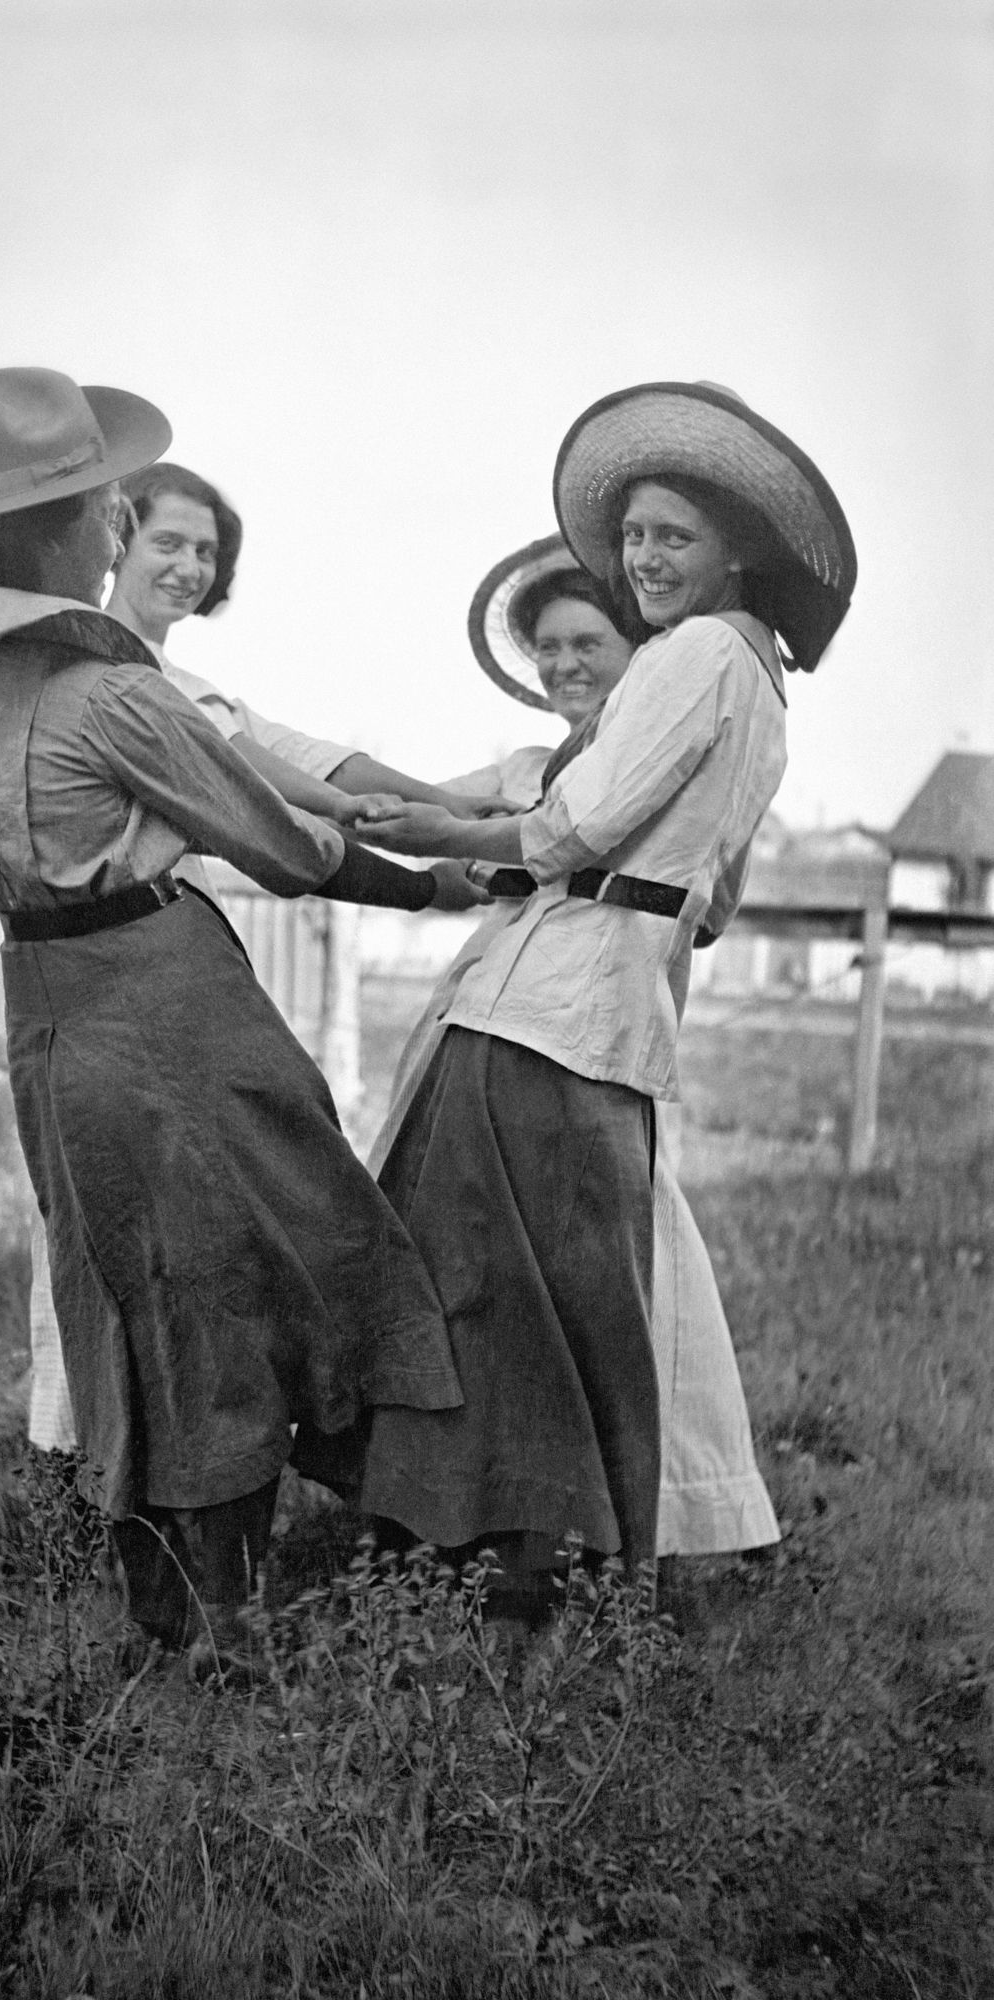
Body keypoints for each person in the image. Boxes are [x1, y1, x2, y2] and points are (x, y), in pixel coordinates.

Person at [0, 366, 466, 1665]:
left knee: (113, 1289)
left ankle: (158, 1610)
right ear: (59, 533)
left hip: (48, 1015)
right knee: (244, 1274)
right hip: (166, 1000)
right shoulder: (114, 695)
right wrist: (430, 886)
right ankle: (241, 1622)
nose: (121, 531)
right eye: (105, 513)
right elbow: (288, 848)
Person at [354, 381, 856, 1601]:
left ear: (736, 548)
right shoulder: (759, 683)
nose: (646, 558)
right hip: (600, 1004)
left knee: (503, 1285)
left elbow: (579, 817)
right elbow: (706, 887)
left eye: (673, 536)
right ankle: (516, 1542)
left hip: (554, 1008)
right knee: (565, 1286)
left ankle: (519, 1554)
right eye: (633, 536)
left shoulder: (697, 655)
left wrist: (433, 829)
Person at [20, 457, 496, 1453]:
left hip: (169, 968)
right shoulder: (86, 676)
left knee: (196, 1213)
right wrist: (410, 867)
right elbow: (268, 801)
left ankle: (200, 1447)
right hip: (94, 971)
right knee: (102, 1216)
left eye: (207, 550)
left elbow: (311, 763)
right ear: (112, 541)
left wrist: (455, 814)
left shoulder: (193, 687)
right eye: (168, 542)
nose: (190, 566)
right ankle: (85, 1457)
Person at [368, 533, 780, 1558]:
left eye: (586, 640)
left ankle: (569, 1540)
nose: (564, 666)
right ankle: (486, 1528)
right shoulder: (546, 761)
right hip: (535, 1004)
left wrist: (504, 847)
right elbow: (417, 804)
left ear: (637, 645)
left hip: (577, 1015)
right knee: (511, 1273)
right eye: (547, 650)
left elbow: (658, 872)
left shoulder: (684, 705)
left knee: (578, 1290)